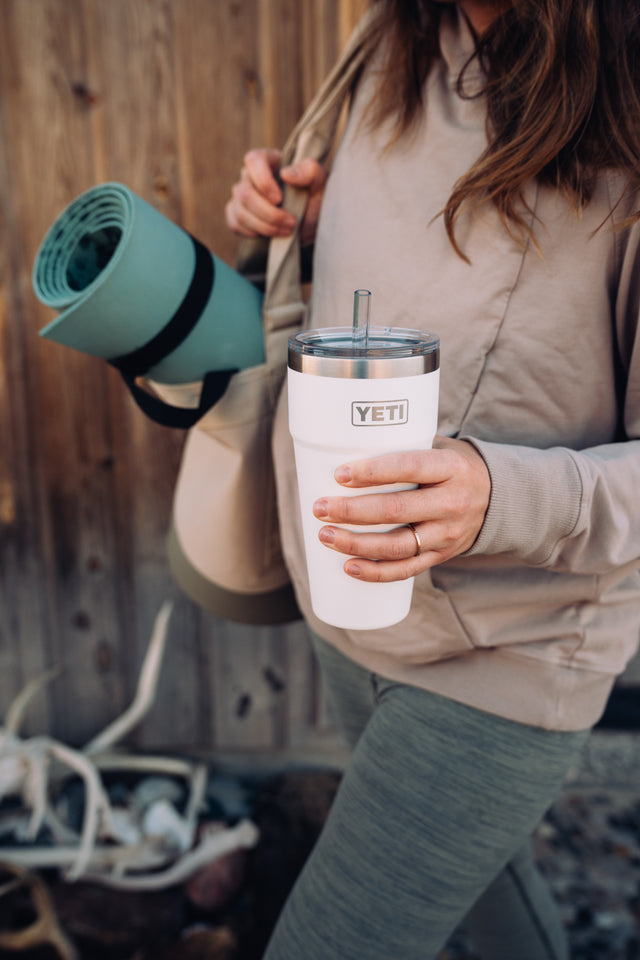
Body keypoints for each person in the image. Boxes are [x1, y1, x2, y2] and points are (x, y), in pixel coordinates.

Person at [225, 1, 640, 957]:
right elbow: (369, 267)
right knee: (489, 900)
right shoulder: (390, 37)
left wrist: (498, 494)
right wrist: (297, 220)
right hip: (347, 588)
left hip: (512, 643)